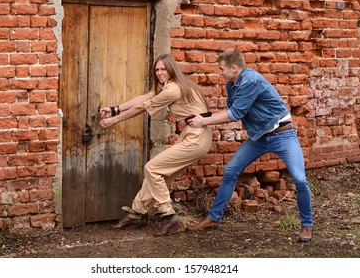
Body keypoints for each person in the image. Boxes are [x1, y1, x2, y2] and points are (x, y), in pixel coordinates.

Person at [186, 49, 313, 242]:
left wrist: (203, 123)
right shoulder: (232, 84)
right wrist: (204, 117)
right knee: (230, 171)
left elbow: (235, 115)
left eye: (221, 69)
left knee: (300, 179)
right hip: (259, 137)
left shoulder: (250, 80)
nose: (219, 73)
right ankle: (213, 219)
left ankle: (306, 226)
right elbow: (231, 110)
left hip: (282, 135)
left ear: (234, 67)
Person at [99, 54, 212, 236]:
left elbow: (141, 108)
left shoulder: (173, 89)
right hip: (195, 135)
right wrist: (115, 109)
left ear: (171, 69)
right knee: (160, 177)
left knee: (152, 168)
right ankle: (134, 214)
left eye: (163, 69)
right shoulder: (173, 85)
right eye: (157, 70)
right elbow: (144, 98)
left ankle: (168, 216)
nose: (159, 73)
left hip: (195, 137)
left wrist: (114, 121)